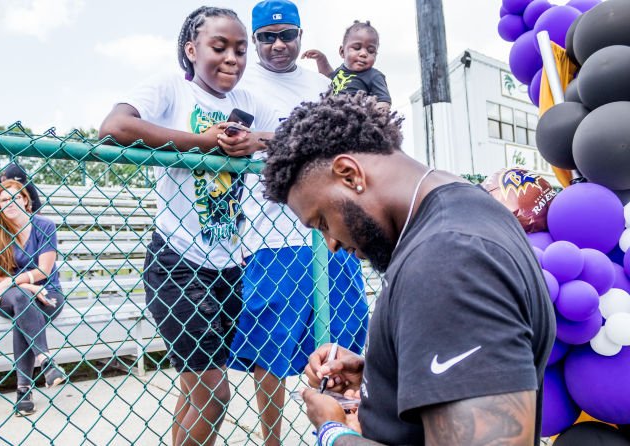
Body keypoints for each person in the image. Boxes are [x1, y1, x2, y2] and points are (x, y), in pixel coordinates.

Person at [261, 93, 556, 445]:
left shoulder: (447, 259)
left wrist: (332, 432)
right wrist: (388, 376)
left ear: (349, 174)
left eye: (322, 222)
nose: (331, 243)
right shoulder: (464, 206)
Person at [98, 6, 277, 446]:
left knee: (194, 391)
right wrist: (204, 143)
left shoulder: (250, 102)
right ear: (192, 49)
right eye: (219, 47)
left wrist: (256, 142)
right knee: (213, 395)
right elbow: (113, 127)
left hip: (230, 265)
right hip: (179, 262)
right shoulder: (170, 88)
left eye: (240, 49)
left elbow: (297, 136)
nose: (232, 58)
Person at [226, 1, 369, 445]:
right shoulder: (240, 82)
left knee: (341, 340)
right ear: (254, 41)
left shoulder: (320, 83)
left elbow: (341, 135)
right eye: (267, 37)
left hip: (331, 232)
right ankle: (272, 438)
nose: (278, 44)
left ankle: (339, 430)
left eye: (287, 34)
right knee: (271, 349)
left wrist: (267, 140)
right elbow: (232, 143)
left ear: (301, 35)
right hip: (271, 235)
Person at [0, 180, 66, 417]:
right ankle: (45, 361)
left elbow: (44, 271)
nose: (10, 203)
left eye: (15, 197)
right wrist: (28, 287)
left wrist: (20, 283)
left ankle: (24, 389)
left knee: (23, 317)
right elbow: (1, 278)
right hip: (10, 297)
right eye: (4, 200)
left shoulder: (45, 225)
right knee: (22, 297)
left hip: (48, 293)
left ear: (24, 199)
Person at [302, 20, 391, 109]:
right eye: (357, 48)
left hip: (355, 117)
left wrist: (373, 116)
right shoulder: (340, 71)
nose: (363, 54)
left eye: (371, 51)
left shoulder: (374, 76)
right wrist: (321, 59)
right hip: (331, 113)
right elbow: (328, 77)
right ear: (342, 52)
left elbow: (384, 101)